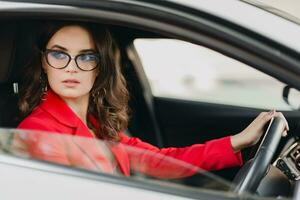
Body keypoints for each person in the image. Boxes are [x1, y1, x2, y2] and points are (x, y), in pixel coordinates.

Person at [17, 21, 289, 178]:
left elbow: (160, 161)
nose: (71, 66)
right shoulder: (38, 131)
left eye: (87, 56)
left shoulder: (96, 124)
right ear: (44, 62)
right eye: (59, 54)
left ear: (101, 67)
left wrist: (238, 140)